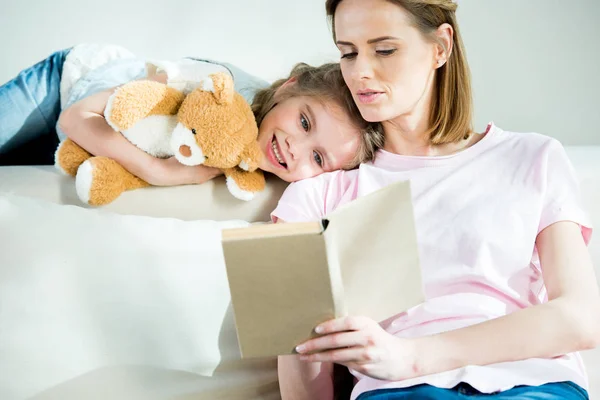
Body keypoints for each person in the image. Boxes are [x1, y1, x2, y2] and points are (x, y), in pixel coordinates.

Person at [273, 1, 599, 399]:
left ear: (440, 47)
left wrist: (411, 356)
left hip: (532, 383)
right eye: (348, 52)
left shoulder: (533, 158)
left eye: (384, 50)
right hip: (403, 392)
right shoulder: (317, 195)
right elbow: (303, 357)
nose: (359, 71)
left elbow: (581, 318)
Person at [0, 43, 384, 186]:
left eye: (318, 158)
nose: (294, 148)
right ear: (288, 87)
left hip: (76, 143)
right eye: (304, 122)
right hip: (67, 86)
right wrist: (158, 171)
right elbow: (74, 118)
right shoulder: (213, 88)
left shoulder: (256, 167)